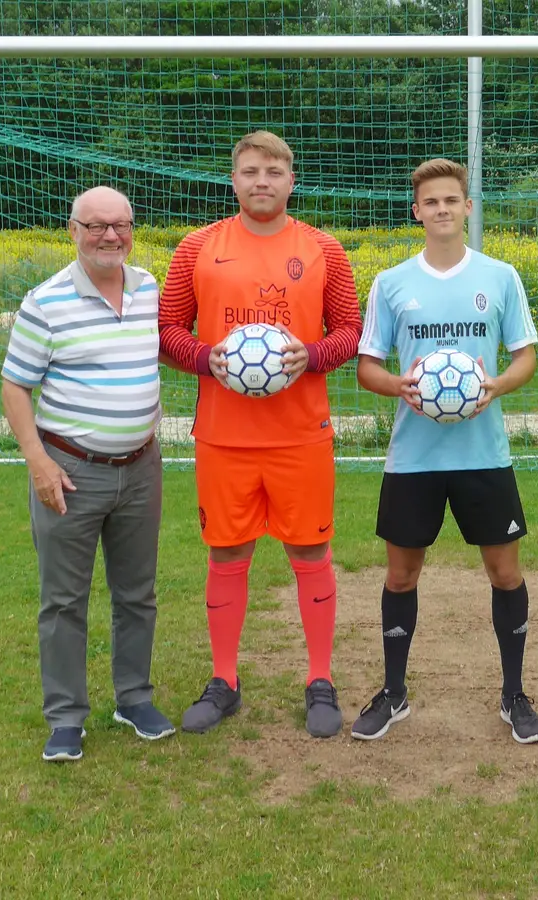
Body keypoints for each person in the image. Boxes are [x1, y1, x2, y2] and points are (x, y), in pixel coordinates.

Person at [158, 131, 362, 738]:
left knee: (309, 552)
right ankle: (225, 681)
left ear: (291, 180)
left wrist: (315, 355)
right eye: (250, 171)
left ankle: (319, 681)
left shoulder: (322, 248)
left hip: (301, 434)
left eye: (273, 171)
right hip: (223, 437)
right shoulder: (198, 246)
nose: (262, 181)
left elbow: (352, 330)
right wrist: (204, 358)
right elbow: (167, 328)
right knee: (227, 553)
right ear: (234, 179)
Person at [350, 158, 538, 743]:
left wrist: (496, 387)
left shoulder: (500, 276)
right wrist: (399, 386)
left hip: (485, 454)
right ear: (417, 212)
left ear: (467, 208)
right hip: (414, 458)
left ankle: (514, 695)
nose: (440, 210)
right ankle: (393, 692)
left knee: (505, 573)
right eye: (429, 202)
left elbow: (525, 357)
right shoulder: (391, 283)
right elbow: (367, 367)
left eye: (450, 200)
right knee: (402, 575)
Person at [0, 185, 173, 763]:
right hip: (70, 470)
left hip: (141, 467)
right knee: (64, 601)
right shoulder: (45, 302)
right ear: (71, 230)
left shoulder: (149, 287)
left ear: (132, 228)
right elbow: (15, 386)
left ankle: (133, 698)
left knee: (137, 594)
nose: (109, 236)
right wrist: (39, 462)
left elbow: (165, 349)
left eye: (120, 224)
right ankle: (66, 718)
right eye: (95, 225)